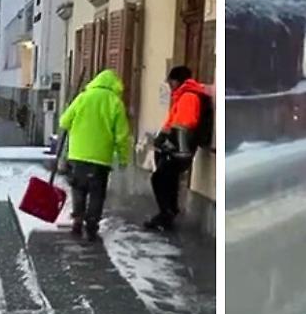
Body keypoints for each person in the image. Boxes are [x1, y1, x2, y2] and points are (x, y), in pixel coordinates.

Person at [58, 69, 131, 242]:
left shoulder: (83, 97)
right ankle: (91, 226)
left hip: (77, 155)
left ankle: (77, 219)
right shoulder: (115, 103)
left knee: (78, 189)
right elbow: (122, 135)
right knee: (97, 194)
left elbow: (63, 122)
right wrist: (123, 158)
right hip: (100, 159)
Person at [146, 66, 211, 231]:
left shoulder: (189, 97)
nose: (169, 85)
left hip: (180, 148)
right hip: (176, 147)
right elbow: (173, 121)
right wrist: (162, 136)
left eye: (171, 81)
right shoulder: (182, 96)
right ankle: (169, 211)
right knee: (169, 179)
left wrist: (169, 142)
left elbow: (185, 124)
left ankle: (166, 212)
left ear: (177, 80)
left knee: (159, 179)